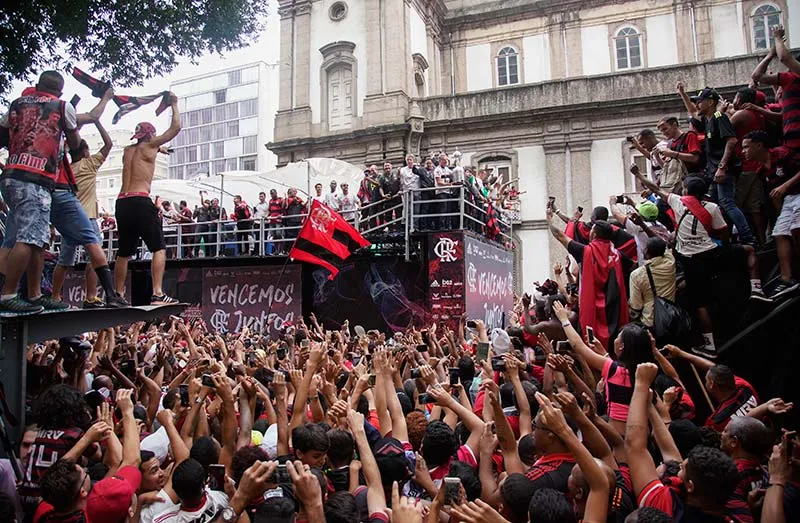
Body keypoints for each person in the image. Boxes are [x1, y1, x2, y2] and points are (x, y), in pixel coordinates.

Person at [632, 170, 771, 358]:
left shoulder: (679, 202)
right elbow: (722, 233)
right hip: (711, 253)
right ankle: (756, 288)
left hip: (690, 259)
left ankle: (709, 344)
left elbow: (655, 188)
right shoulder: (712, 207)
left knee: (701, 304)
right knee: (749, 250)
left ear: (687, 190)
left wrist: (639, 176)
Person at [0, 71, 82, 315]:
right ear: (60, 91)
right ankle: (9, 294)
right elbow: (76, 144)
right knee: (27, 239)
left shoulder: (17, 103)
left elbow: (2, 131)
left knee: (37, 239)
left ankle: (35, 294)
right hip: (36, 178)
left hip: (12, 175)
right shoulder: (62, 106)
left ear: (37, 86)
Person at [626, 363, 742, 522]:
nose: (678, 466)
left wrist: (640, 385)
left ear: (691, 486)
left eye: (682, 469)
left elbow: (635, 447)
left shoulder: (667, 507)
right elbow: (669, 452)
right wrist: (649, 406)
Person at [47, 88, 128, 309]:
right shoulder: (89, 164)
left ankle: (55, 296)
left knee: (64, 261)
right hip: (87, 217)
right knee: (96, 256)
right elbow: (109, 144)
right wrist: (98, 123)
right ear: (85, 153)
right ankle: (91, 296)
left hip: (65, 219)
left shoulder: (65, 167)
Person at [113, 92, 181, 305]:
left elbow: (143, 148)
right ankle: (158, 293)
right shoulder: (150, 146)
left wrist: (159, 148)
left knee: (123, 252)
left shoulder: (127, 151)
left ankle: (118, 294)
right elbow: (175, 128)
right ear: (151, 136)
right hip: (141, 200)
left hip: (122, 202)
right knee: (158, 248)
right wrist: (175, 104)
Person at [548, 209, 632, 348]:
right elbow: (632, 265)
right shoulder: (618, 255)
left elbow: (560, 236)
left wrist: (549, 220)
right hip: (615, 304)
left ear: (594, 233)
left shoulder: (585, 251)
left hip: (592, 306)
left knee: (592, 341)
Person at [690, 87, 754, 245]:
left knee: (727, 202)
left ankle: (748, 238)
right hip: (713, 170)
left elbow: (731, 141)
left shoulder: (719, 118)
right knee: (717, 205)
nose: (697, 105)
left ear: (710, 102)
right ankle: (726, 238)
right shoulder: (708, 119)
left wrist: (722, 166)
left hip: (723, 169)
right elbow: (693, 112)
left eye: (700, 101)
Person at [741, 130, 800, 298]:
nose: (743, 151)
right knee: (780, 233)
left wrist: (785, 186)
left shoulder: (782, 153)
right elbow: (774, 197)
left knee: (797, 228)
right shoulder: (762, 172)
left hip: (798, 194)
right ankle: (786, 278)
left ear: (759, 146)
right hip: (788, 201)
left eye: (746, 147)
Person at [731, 87, 767, 246]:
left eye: (735, 98)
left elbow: (721, 126)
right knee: (754, 207)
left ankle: (747, 239)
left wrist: (719, 111)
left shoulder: (742, 114)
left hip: (746, 168)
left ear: (739, 99)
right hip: (757, 166)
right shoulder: (758, 114)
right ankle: (762, 240)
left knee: (736, 205)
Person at [628, 237, 676, 327]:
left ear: (648, 253)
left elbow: (636, 306)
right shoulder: (670, 262)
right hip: (672, 316)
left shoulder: (637, 275)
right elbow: (664, 248)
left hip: (651, 320)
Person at [655, 116, 702, 192]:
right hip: (675, 183)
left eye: (665, 129)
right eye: (661, 131)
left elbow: (695, 158)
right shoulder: (669, 144)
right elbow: (667, 167)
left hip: (691, 180)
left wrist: (673, 154)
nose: (664, 133)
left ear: (674, 125)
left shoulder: (689, 136)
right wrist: (657, 157)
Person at [266, 189, 285, 255]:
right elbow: (269, 210)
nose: (272, 195)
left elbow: (283, 209)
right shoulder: (270, 201)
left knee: (278, 234)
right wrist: (266, 216)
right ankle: (276, 250)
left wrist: (281, 215)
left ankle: (281, 250)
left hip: (278, 220)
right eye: (271, 193)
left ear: (276, 193)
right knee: (273, 235)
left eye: (273, 193)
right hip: (272, 220)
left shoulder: (280, 200)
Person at [252, 191, 269, 256]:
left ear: (265, 197)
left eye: (262, 196)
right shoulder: (257, 205)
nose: (261, 197)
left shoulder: (267, 205)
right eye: (260, 196)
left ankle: (264, 251)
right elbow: (254, 213)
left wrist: (266, 216)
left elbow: (268, 212)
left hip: (264, 222)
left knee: (264, 238)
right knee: (257, 238)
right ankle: (256, 252)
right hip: (257, 222)